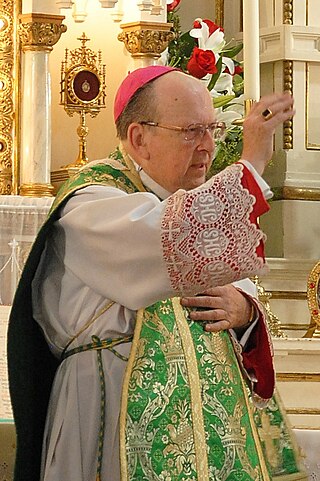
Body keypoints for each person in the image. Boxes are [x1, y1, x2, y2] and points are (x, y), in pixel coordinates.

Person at [7, 65, 305, 481]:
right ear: (138, 138)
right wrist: (251, 163)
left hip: (207, 436)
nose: (207, 147)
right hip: (108, 418)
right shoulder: (92, 204)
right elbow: (167, 238)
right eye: (191, 132)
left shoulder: (195, 208)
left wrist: (243, 313)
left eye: (212, 130)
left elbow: (237, 292)